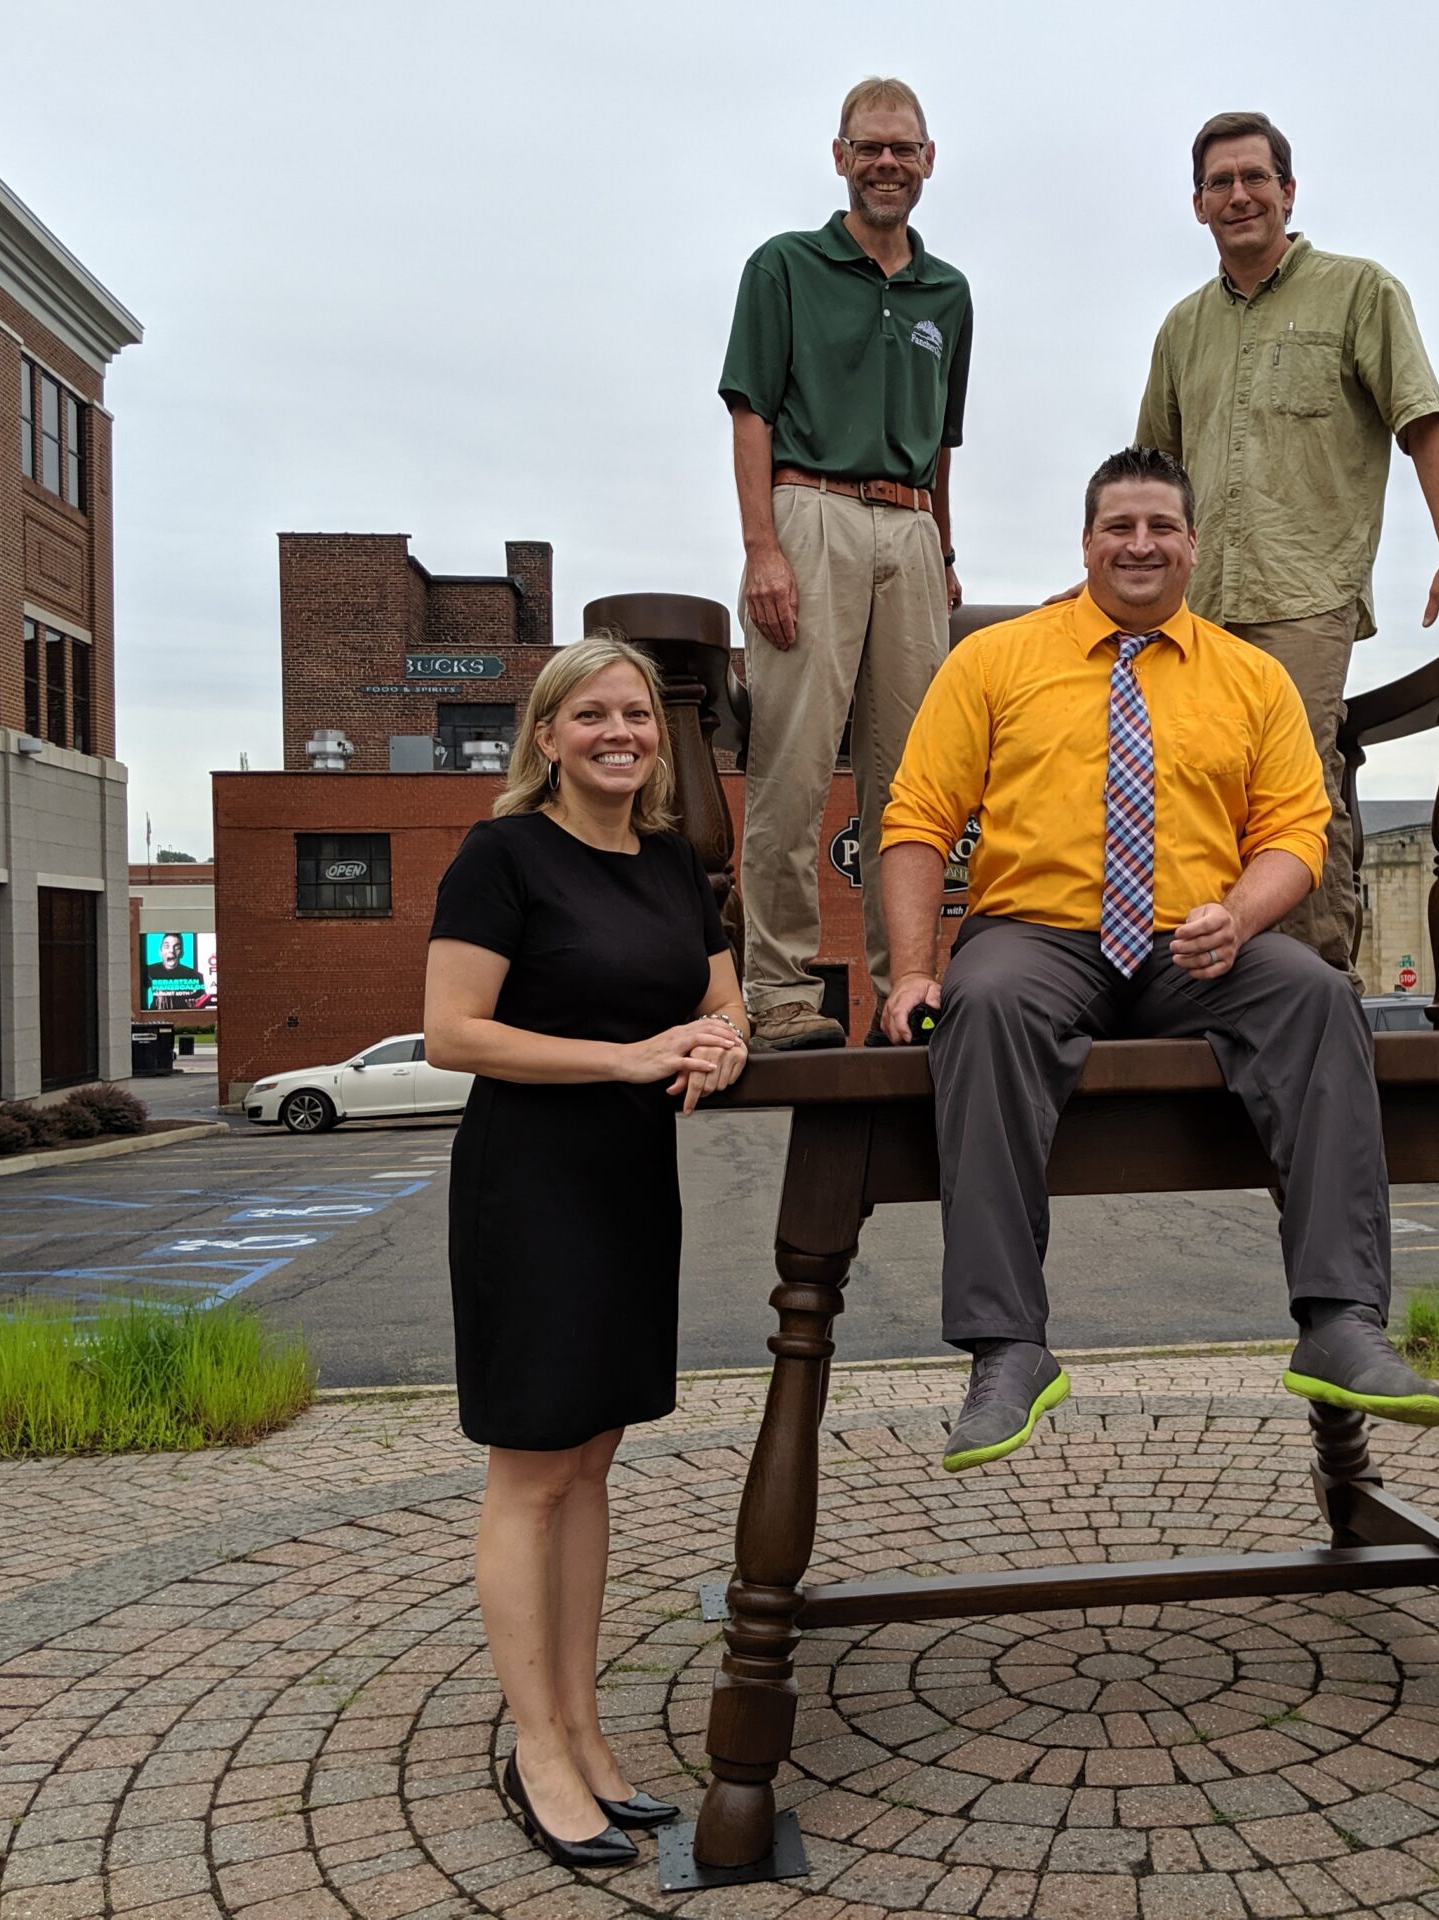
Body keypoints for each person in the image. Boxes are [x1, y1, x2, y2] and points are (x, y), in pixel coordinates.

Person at [881, 447, 1439, 1472]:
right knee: (986, 1002)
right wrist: (913, 968)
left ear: (1193, 545)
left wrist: (1239, 915)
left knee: (1319, 996)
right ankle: (1006, 1347)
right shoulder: (995, 661)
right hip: (1039, 934)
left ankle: (1340, 1319)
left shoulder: (1251, 678)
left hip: (1200, 938)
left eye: (1159, 527)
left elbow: (1295, 833)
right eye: (1117, 527)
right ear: (1087, 541)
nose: (1138, 544)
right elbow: (919, 818)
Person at [423, 634, 749, 1867]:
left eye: (639, 717)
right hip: (531, 1182)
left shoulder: (671, 861)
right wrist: (624, 1059)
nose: (622, 733)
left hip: (629, 1181)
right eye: (594, 716)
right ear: (547, 736)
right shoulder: (500, 855)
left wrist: (726, 1044)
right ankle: (536, 1748)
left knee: (594, 1467)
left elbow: (722, 1001)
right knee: (532, 1475)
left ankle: (583, 1729)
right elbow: (450, 1033)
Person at [1132, 109, 1439, 979]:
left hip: (1305, 594)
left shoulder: (1360, 290)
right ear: (1197, 205)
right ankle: (1203, 983)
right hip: (1195, 603)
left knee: (1297, 786)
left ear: (1288, 192)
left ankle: (1316, 983)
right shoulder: (1182, 328)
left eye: (1255, 177)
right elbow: (1151, 470)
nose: (1239, 195)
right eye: (1219, 183)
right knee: (1190, 785)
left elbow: (1425, 424)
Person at [720, 74, 973, 1050]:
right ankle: (780, 992)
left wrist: (943, 549)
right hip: (807, 511)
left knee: (913, 777)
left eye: (902, 148)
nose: (885, 163)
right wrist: (761, 549)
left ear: (927, 160)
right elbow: (751, 410)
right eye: (868, 147)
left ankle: (904, 987)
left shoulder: (947, 292)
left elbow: (943, 440)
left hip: (909, 529)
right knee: (789, 758)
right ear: (839, 157)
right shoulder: (783, 266)